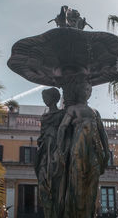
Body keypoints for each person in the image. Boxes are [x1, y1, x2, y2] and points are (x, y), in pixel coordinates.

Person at [55, 80, 110, 218]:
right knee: (77, 185)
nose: (86, 92)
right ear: (78, 91)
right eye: (84, 89)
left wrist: (107, 151)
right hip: (78, 149)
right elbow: (62, 128)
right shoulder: (72, 109)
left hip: (94, 151)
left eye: (88, 90)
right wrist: (60, 148)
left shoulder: (95, 112)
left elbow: (102, 132)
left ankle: (88, 213)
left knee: (92, 187)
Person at [34, 88, 64, 218]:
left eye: (46, 97)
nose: (44, 100)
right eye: (43, 97)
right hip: (44, 150)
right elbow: (41, 135)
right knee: (42, 178)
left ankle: (57, 209)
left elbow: (65, 133)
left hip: (56, 149)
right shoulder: (44, 117)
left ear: (54, 98)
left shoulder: (62, 115)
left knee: (55, 178)